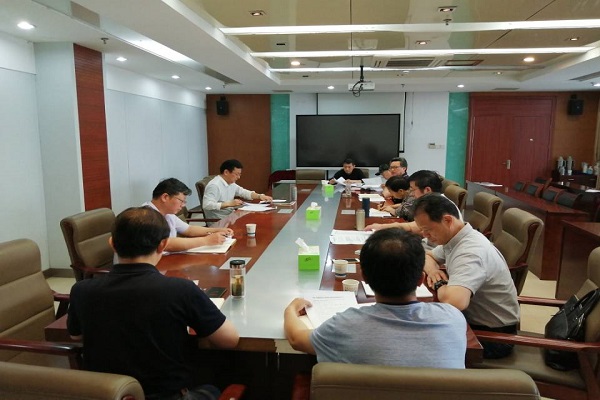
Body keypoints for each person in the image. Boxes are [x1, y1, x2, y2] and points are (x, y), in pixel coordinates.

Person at [68, 207, 240, 399]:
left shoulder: (81, 290)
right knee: (215, 386)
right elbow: (229, 340)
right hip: (167, 395)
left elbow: (76, 335)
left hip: (107, 394)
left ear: (112, 244)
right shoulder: (180, 290)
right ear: (163, 245)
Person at [284, 228, 467, 368]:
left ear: (364, 276)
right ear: (421, 279)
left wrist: (290, 310)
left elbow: (296, 339)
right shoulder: (453, 319)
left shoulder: (345, 325)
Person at [412, 194, 520, 359]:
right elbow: (428, 256)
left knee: (415, 339)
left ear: (447, 220)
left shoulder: (470, 251)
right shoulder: (455, 238)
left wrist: (439, 283)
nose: (425, 236)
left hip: (493, 337)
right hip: (471, 321)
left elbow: (454, 302)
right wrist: (433, 272)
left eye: (428, 230)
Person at [143, 178, 233, 252]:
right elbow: (166, 244)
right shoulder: (147, 216)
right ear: (165, 197)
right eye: (181, 201)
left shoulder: (167, 213)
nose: (183, 205)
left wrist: (217, 230)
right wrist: (206, 240)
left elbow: (189, 229)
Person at [365, 170, 442, 232]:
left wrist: (381, 227)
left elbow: (415, 227)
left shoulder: (439, 206)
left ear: (427, 190)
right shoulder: (428, 201)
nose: (411, 194)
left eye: (412, 190)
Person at [203, 159, 273, 221]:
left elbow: (243, 192)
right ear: (226, 172)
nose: (238, 177)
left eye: (239, 174)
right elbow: (207, 205)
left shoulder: (230, 183)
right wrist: (229, 204)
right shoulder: (214, 185)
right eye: (236, 174)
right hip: (219, 220)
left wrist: (260, 196)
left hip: (231, 216)